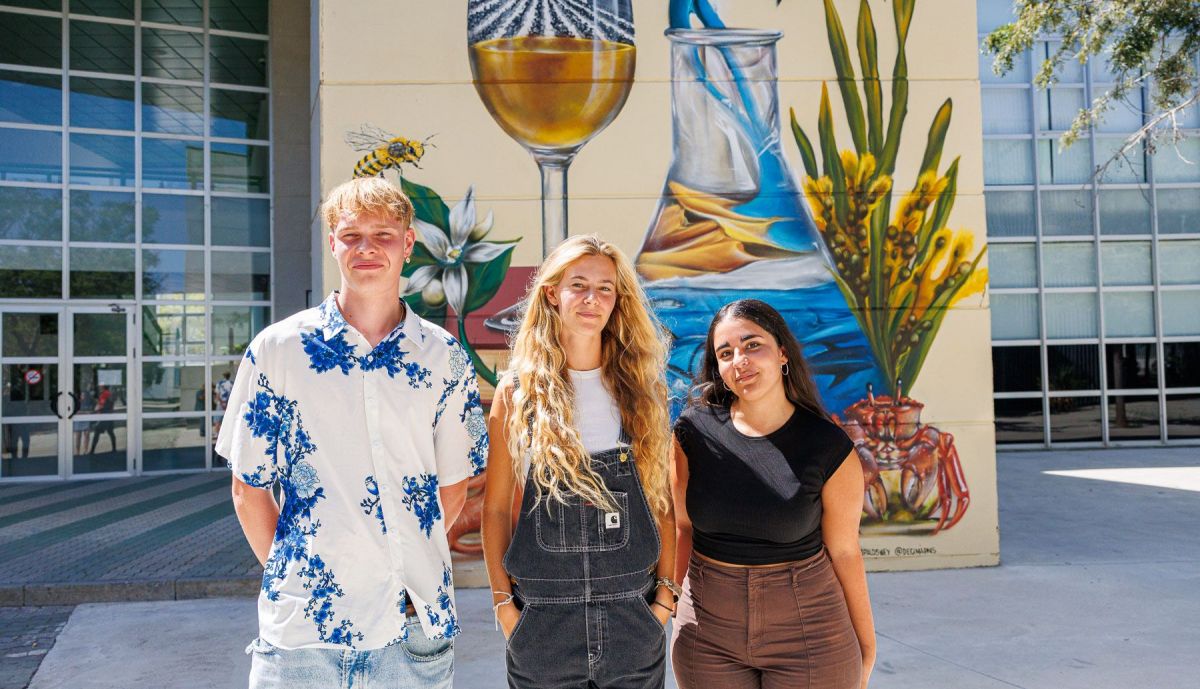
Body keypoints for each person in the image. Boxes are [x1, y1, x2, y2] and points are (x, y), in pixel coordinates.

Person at [216, 176, 488, 689]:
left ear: (408, 244)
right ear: (333, 243)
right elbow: (248, 488)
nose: (367, 248)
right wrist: (307, 583)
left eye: (383, 235)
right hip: (302, 634)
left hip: (410, 627)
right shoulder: (277, 350)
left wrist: (402, 563)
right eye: (351, 234)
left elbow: (453, 486)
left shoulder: (444, 357)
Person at [482, 235, 678, 689]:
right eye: (579, 285)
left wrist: (664, 601)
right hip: (543, 627)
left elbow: (661, 504)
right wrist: (503, 607)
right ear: (552, 293)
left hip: (633, 623)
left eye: (605, 288)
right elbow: (494, 509)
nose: (592, 299)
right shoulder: (517, 395)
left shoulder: (642, 393)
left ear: (618, 300)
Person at [670, 299, 876, 689]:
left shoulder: (829, 447)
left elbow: (846, 551)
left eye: (752, 345)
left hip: (810, 629)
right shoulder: (691, 433)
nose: (740, 361)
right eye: (725, 353)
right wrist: (673, 607)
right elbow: (682, 527)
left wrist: (867, 643)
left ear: (782, 352)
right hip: (709, 631)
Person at [88, 385, 116, 454]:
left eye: (100, 386)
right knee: (110, 432)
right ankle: (114, 449)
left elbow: (103, 405)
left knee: (97, 432)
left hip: (105, 416)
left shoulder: (105, 394)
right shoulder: (106, 393)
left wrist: (96, 409)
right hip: (108, 416)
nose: (98, 386)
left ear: (103, 386)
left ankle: (92, 451)